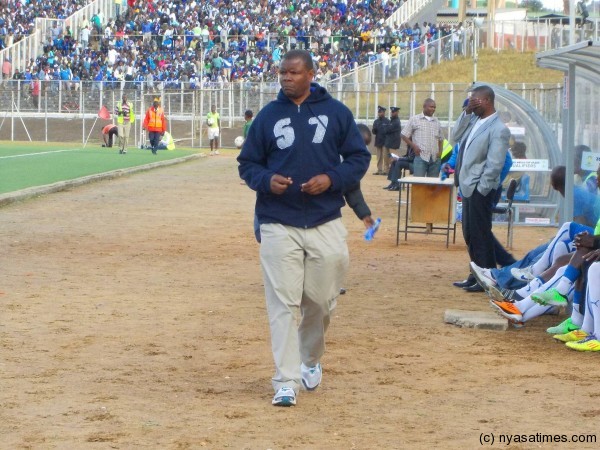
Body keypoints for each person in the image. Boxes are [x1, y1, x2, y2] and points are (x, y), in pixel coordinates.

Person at [237, 49, 370, 407]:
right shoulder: (267, 117)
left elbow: (359, 158)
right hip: (278, 221)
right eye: (282, 72)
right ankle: (285, 379)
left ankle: (309, 359)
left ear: (311, 74)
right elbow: (247, 164)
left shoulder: (337, 113)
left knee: (321, 301)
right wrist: (266, 180)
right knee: (282, 303)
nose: (286, 78)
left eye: (294, 72)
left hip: (325, 219)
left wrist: (332, 178)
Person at [451, 85, 511, 291]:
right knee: (470, 233)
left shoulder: (499, 129)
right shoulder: (474, 120)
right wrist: (466, 112)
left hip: (480, 189)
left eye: (474, 100)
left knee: (481, 234)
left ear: (486, 101)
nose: (471, 103)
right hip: (467, 186)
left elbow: (495, 164)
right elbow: (455, 136)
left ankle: (487, 278)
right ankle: (475, 274)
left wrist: (481, 188)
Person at [401, 98, 444, 177]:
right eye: (431, 107)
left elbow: (441, 139)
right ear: (424, 106)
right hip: (421, 157)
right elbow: (403, 135)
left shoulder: (437, 121)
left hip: (435, 159)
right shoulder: (414, 119)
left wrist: (440, 152)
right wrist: (414, 146)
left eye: (434, 107)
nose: (433, 109)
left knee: (432, 186)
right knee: (419, 185)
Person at [371, 106, 390, 175]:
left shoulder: (387, 121)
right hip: (378, 141)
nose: (380, 114)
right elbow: (373, 132)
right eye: (379, 112)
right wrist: (374, 130)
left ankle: (386, 170)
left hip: (385, 141)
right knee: (379, 156)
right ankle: (379, 170)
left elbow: (389, 131)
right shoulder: (376, 121)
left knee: (385, 156)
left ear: (384, 113)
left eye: (381, 112)